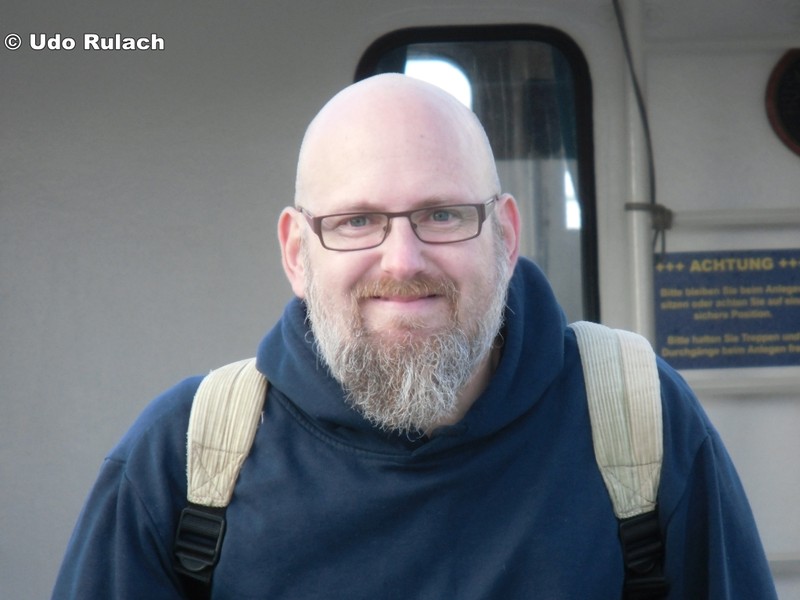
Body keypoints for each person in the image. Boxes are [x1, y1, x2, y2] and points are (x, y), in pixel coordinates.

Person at [52, 74, 777, 599]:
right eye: (357, 221)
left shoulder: (639, 420)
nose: (402, 262)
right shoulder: (182, 460)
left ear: (506, 235)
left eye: (442, 214)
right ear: (297, 253)